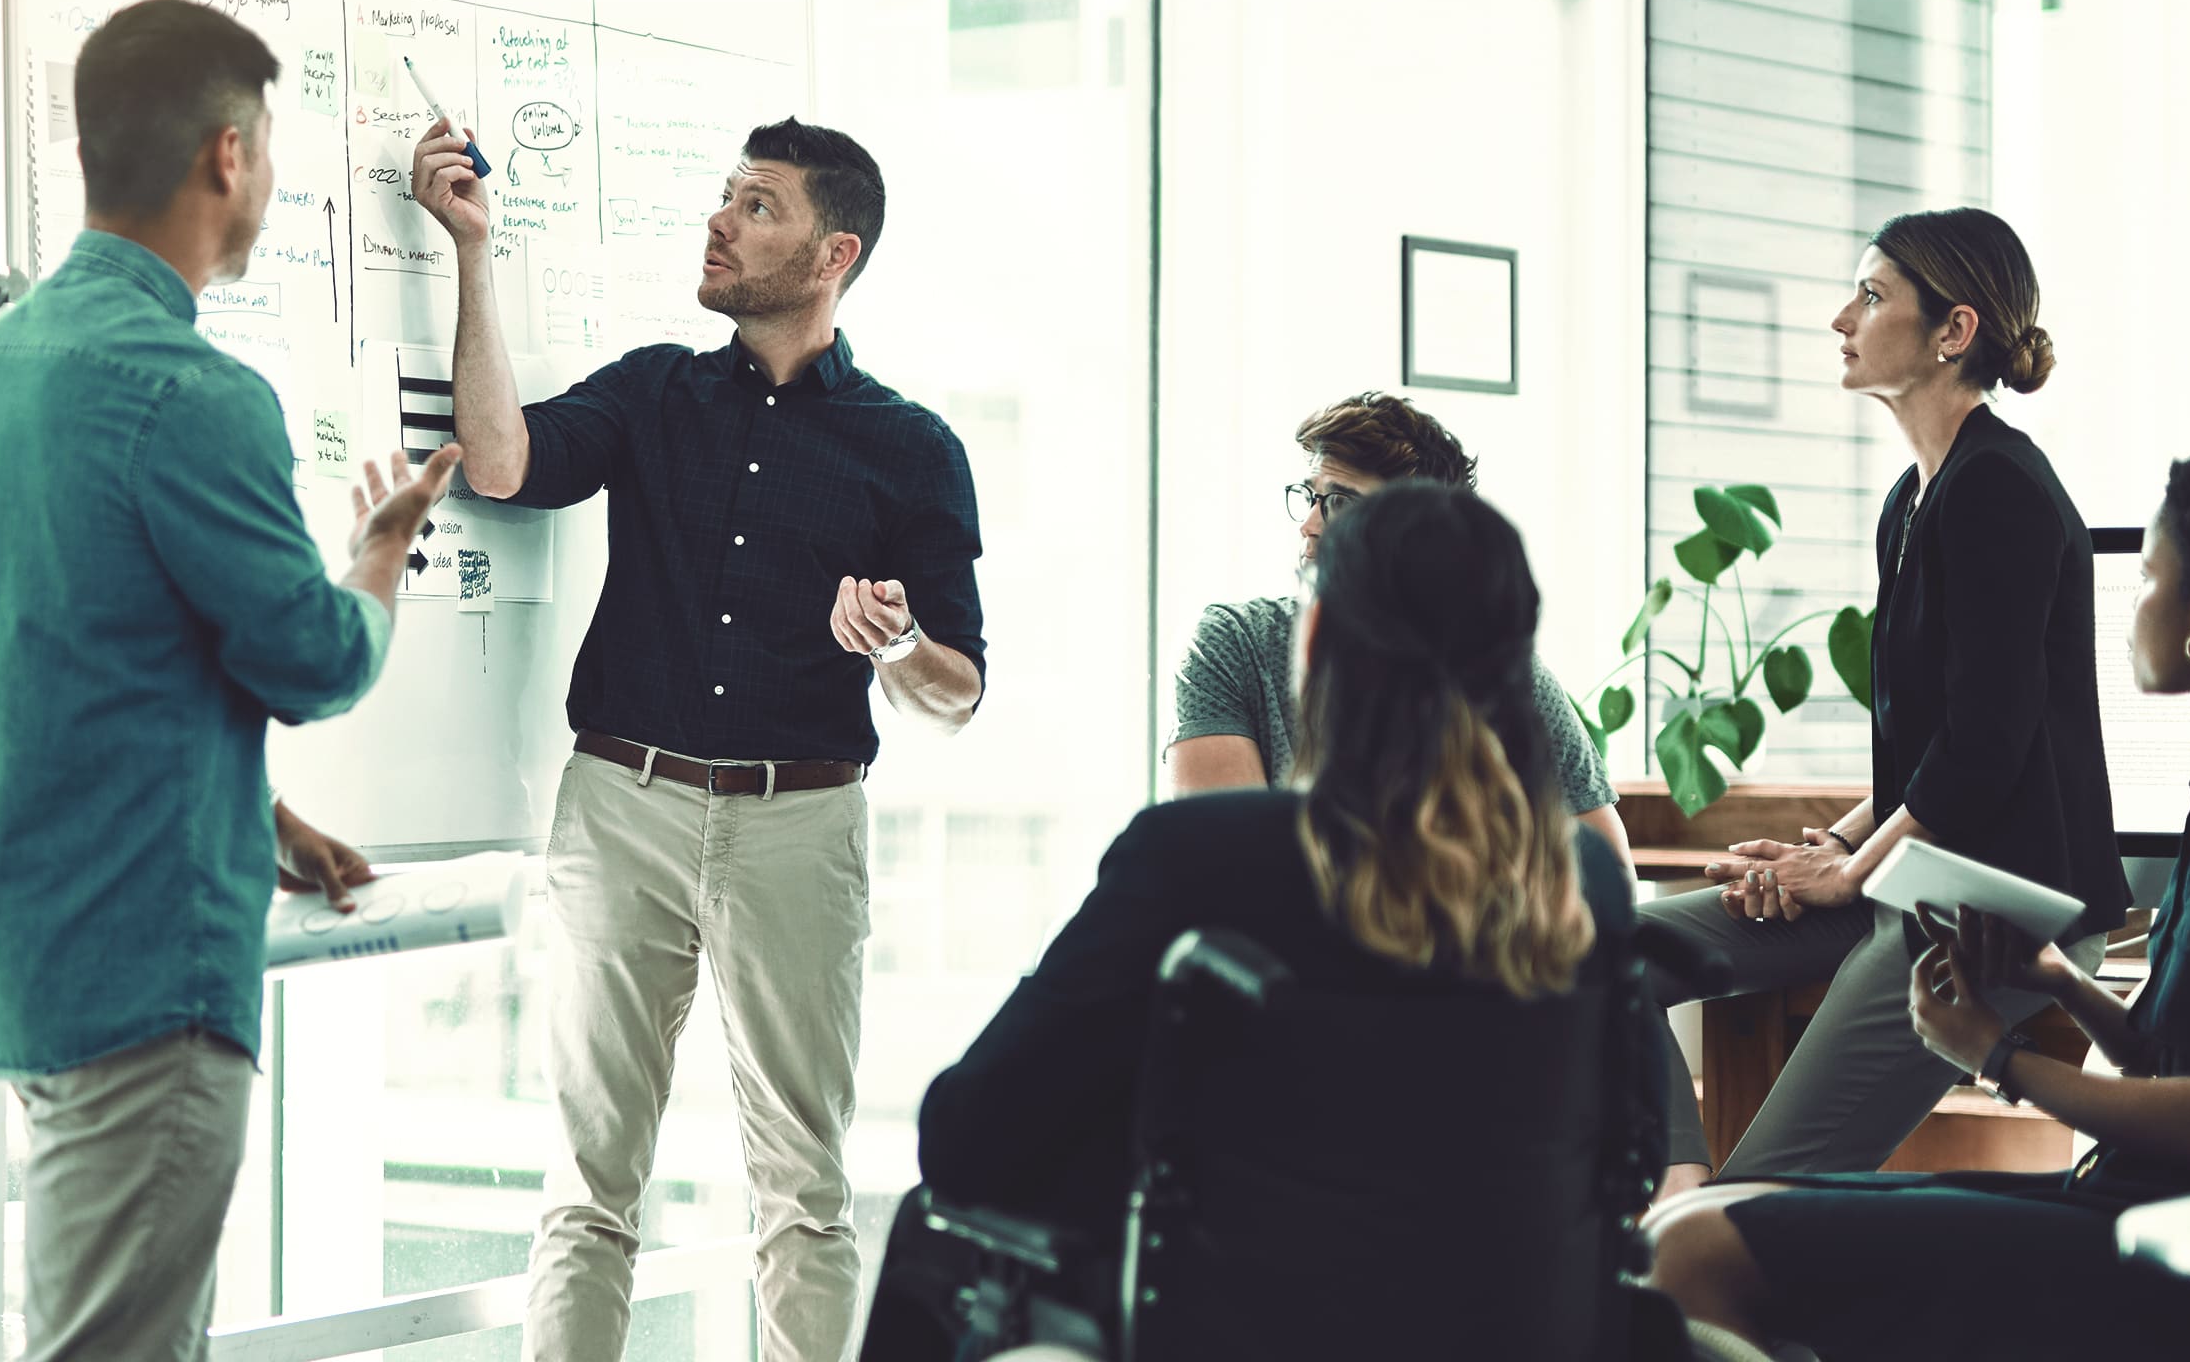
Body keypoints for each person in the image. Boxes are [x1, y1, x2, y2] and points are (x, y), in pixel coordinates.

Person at [1649, 443, 2190, 1362]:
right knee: (1711, 1218)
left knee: (1700, 1250)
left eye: (2149, 579)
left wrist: (1995, 1055)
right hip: (2128, 1210)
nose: (2131, 606)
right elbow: (2162, 1058)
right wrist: (2055, 978)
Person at [0, 0, 461, 1362]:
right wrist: (380, 559)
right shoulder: (191, 393)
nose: (273, 181)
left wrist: (260, 820)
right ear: (227, 156)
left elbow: (74, 654)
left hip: (32, 946)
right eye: (272, 151)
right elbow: (314, 658)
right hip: (146, 978)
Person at [410, 112, 986, 1362]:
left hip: (801, 821)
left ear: (832, 253)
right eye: (726, 196)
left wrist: (892, 646)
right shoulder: (654, 390)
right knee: (588, 1178)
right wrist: (470, 250)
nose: (721, 221)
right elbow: (501, 464)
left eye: (758, 205)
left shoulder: (910, 448)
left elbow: (956, 689)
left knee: (803, 1186)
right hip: (625, 804)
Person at [861, 480, 1640, 1359]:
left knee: (937, 1232)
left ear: (1314, 642)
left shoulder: (1196, 859)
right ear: (1521, 672)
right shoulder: (1587, 893)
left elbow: (969, 1141)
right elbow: (1622, 1161)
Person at [1637, 206, 2124, 1194]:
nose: (1840, 317)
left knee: (1761, 1198)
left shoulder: (2001, 489)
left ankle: (1711, 1239)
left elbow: (1985, 746)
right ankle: (1679, 1190)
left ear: (1954, 330)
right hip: (1910, 876)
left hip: (1997, 912)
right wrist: (1837, 848)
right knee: (1607, 949)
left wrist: (1855, 868)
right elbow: (1926, 746)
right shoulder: (1914, 499)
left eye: (1870, 294)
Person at [1167, 391, 1630, 869]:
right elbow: (1230, 867)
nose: (1309, 524)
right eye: (1311, 496)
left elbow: (1608, 874)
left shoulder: (1496, 664)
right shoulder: (1234, 642)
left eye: (1341, 502)